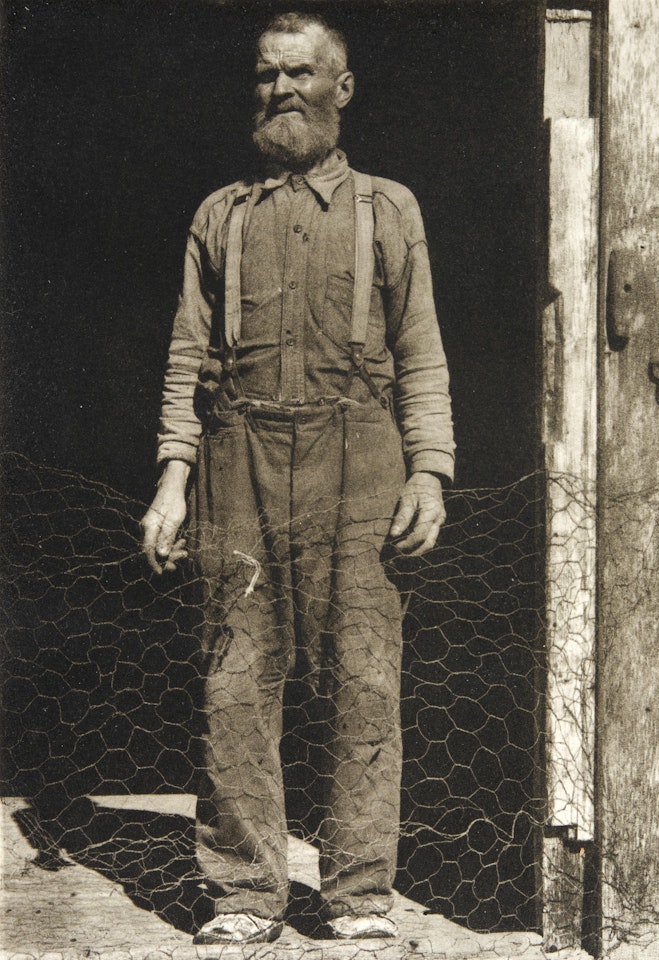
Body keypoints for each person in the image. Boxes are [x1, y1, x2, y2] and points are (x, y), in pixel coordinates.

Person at [141, 11, 454, 947]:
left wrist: (430, 474)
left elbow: (424, 355)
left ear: (342, 88)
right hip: (237, 461)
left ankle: (357, 898)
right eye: (268, 75)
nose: (282, 90)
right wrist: (171, 481)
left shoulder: (387, 209)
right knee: (235, 680)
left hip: (362, 462)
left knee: (363, 679)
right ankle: (243, 894)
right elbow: (184, 358)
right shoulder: (219, 215)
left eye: (302, 73)